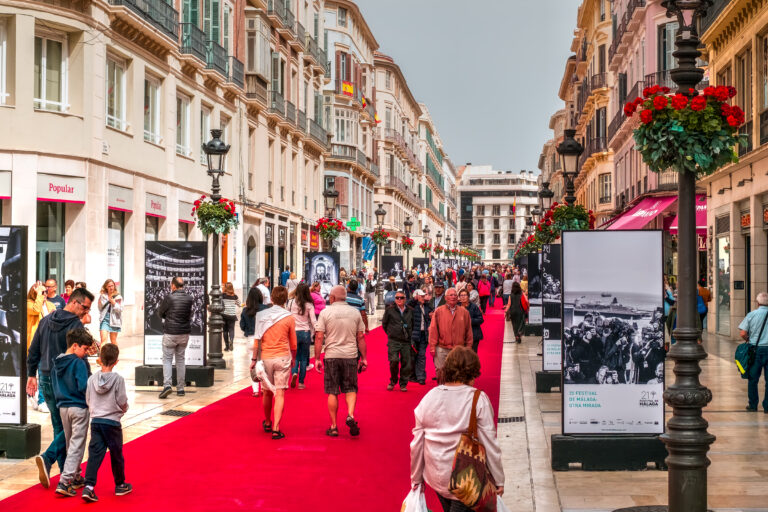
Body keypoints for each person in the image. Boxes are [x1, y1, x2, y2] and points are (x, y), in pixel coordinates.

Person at [410, 347, 504, 510]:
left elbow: (417, 444)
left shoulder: (428, 398)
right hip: (467, 477)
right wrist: (498, 478)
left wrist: (416, 479)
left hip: (437, 476)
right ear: (472, 373)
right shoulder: (477, 399)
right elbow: (490, 443)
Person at [28, 287, 94, 489]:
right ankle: (50, 459)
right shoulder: (75, 325)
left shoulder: (46, 320)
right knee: (70, 429)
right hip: (67, 381)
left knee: (60, 426)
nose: (86, 312)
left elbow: (34, 349)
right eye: (85, 308)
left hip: (46, 377)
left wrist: (32, 374)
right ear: (74, 302)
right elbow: (81, 355)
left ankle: (69, 474)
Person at [314, 286, 367, 437]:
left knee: (332, 391)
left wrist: (317, 358)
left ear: (332, 298)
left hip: (332, 355)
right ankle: (350, 414)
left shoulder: (325, 312)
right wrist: (363, 358)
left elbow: (319, 337)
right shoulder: (355, 313)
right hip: (350, 355)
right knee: (350, 388)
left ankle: (334, 426)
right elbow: (361, 337)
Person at [82, 343, 131, 502]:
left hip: (96, 421)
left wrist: (95, 411)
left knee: (95, 453)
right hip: (112, 422)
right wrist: (123, 409)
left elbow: (88, 399)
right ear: (116, 361)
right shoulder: (118, 379)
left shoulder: (91, 379)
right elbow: (122, 400)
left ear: (100, 359)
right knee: (116, 454)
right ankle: (120, 484)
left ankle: (89, 486)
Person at [51, 327, 95, 496]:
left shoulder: (58, 362)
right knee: (77, 444)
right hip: (79, 406)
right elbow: (84, 386)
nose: (85, 353)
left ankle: (76, 477)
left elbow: (55, 387)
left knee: (70, 443)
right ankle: (64, 481)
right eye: (84, 349)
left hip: (63, 407)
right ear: (75, 345)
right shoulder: (78, 362)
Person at [250, 286, 296, 440]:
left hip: (266, 357)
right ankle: (277, 427)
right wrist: (293, 357)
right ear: (285, 300)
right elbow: (293, 343)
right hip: (282, 356)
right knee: (280, 393)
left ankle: (268, 421)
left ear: (271, 299)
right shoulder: (289, 317)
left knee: (267, 392)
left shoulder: (261, 315)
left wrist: (253, 360)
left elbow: (257, 340)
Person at [156, 277, 194, 399]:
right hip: (184, 333)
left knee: (167, 359)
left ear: (173, 286)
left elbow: (160, 313)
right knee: (181, 360)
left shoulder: (169, 297)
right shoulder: (189, 298)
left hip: (170, 332)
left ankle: (167, 385)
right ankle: (181, 388)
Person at [428, 289, 473, 383]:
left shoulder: (464, 312)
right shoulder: (439, 311)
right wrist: (432, 347)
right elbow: (433, 330)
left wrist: (468, 347)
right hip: (441, 348)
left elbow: (469, 331)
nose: (453, 297)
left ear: (458, 298)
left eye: (455, 295)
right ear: (445, 298)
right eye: (451, 295)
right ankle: (442, 390)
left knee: (458, 373)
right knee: (441, 371)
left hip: (458, 349)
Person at [739, 292, 768, 413]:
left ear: (758, 302)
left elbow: (743, 333)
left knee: (753, 379)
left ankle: (753, 405)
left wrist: (748, 340)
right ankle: (767, 406)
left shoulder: (752, 315)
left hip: (755, 350)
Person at [240, 287, 270, 397]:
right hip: (262, 339)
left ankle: (255, 389)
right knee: (263, 363)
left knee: (252, 364)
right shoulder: (266, 309)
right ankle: (263, 386)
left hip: (250, 339)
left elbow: (242, 326)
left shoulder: (245, 310)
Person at [382, 290, 414, 392]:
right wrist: (391, 333)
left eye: (401, 298)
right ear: (394, 299)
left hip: (406, 341)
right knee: (394, 361)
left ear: (405, 299)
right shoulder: (390, 310)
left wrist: (410, 335)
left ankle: (403, 383)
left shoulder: (410, 310)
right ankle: (393, 380)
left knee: (406, 364)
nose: (399, 299)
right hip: (393, 341)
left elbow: (413, 324)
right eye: (397, 298)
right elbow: (384, 324)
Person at [289, 283, 317, 390]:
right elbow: (313, 321)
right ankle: (301, 383)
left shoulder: (291, 302)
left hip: (294, 332)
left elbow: (287, 315)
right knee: (304, 358)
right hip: (305, 332)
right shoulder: (309, 305)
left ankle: (295, 372)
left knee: (294, 356)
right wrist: (317, 331)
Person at [408, 289, 432, 386]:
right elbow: (407, 305)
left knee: (422, 356)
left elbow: (431, 316)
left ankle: (421, 377)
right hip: (414, 335)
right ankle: (412, 375)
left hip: (424, 335)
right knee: (413, 356)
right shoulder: (413, 307)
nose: (423, 298)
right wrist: (414, 299)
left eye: (423, 296)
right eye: (421, 296)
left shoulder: (427, 307)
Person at [98, 279, 123, 346]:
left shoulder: (118, 297)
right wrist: (99, 302)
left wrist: (114, 303)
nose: (111, 287)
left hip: (114, 320)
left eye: (112, 286)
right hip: (104, 319)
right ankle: (102, 356)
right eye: (109, 286)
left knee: (113, 341)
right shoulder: (103, 296)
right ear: (106, 287)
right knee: (103, 340)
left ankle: (115, 356)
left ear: (114, 286)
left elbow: (120, 309)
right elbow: (100, 308)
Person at [221, 282, 241, 352]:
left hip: (224, 315)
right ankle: (231, 341)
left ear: (225, 288)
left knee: (225, 330)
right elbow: (240, 304)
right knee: (231, 330)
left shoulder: (222, 295)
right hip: (232, 316)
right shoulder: (235, 296)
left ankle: (227, 346)